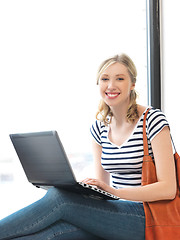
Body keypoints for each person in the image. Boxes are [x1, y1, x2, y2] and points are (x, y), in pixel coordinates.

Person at [0, 54, 177, 240]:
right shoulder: (99, 128)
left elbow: (168, 188)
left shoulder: (153, 120)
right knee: (52, 234)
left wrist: (116, 193)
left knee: (59, 199)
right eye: (105, 79)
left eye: (120, 79)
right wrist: (86, 189)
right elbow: (104, 189)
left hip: (147, 216)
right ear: (98, 83)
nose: (111, 85)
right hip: (115, 213)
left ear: (132, 84)